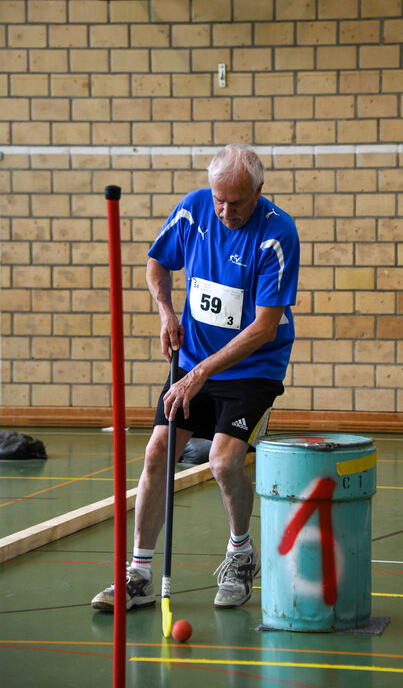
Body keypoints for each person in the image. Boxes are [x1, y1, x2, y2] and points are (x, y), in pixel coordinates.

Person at [92, 143, 300, 612]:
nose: (225, 211)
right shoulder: (192, 210)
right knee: (158, 451)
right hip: (193, 361)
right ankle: (139, 574)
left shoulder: (277, 234)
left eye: (237, 202)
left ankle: (240, 554)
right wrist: (166, 311)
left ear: (259, 192)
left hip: (251, 367)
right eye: (218, 199)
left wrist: (201, 373)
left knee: (225, 463)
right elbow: (157, 264)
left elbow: (264, 326)